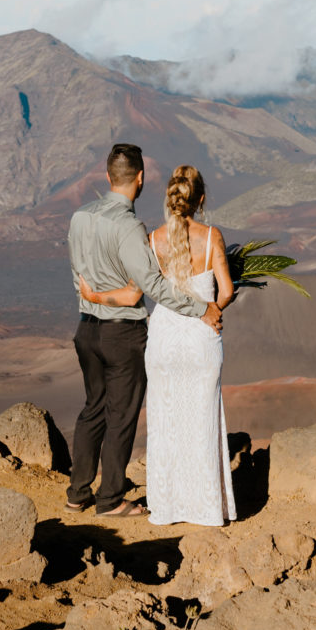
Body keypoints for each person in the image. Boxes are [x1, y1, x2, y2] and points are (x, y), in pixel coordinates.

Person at [64, 142, 222, 517]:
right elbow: (151, 286)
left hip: (86, 330)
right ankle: (111, 500)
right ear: (140, 178)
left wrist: (96, 299)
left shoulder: (79, 217)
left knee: (92, 409)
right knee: (121, 415)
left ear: (107, 177)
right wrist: (201, 307)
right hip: (122, 334)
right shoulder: (129, 226)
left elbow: (80, 278)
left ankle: (77, 493)